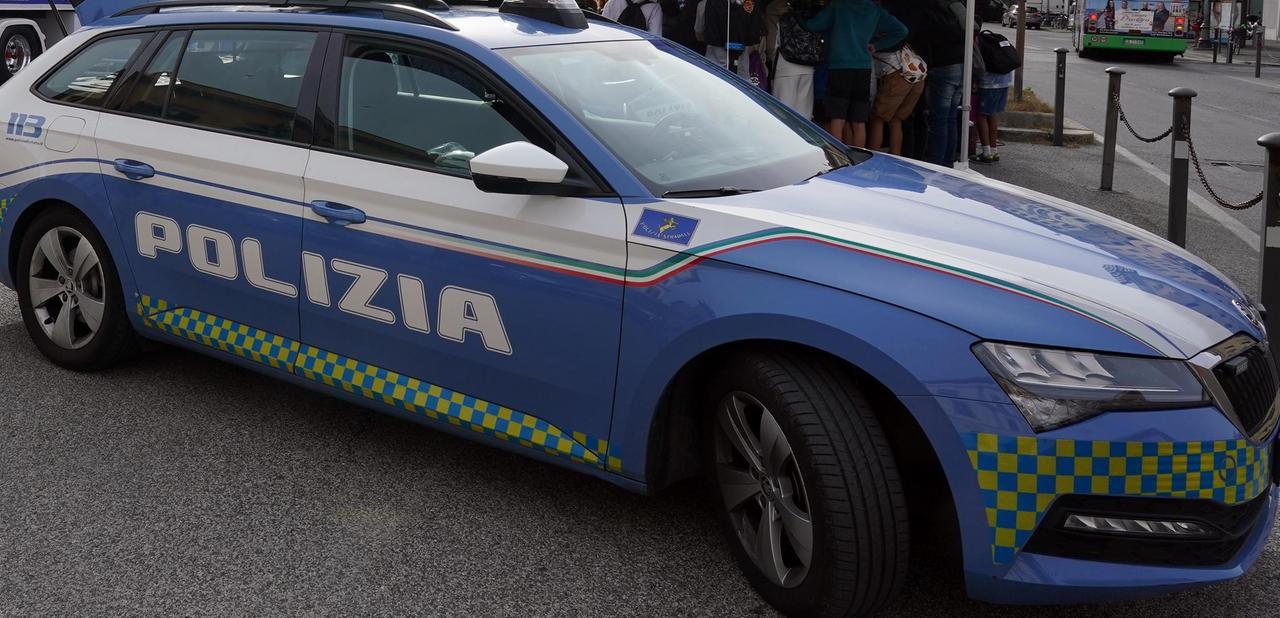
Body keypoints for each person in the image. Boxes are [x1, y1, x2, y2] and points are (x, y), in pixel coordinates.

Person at [802, 0, 906, 147]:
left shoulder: (838, 6)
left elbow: (814, 25)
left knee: (837, 118)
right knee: (859, 120)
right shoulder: (873, 9)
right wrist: (877, 45)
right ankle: (858, 161)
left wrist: (799, 18)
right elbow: (901, 30)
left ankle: (838, 160)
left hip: (839, 67)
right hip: (863, 67)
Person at [914, 0, 966, 167]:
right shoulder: (952, 9)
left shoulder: (927, 10)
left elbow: (921, 37)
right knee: (950, 117)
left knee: (939, 119)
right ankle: (947, 161)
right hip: (961, 63)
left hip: (942, 65)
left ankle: (935, 163)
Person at [868, 39, 926, 155]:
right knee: (896, 119)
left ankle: (872, 158)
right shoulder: (898, 41)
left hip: (897, 75)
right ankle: (896, 157)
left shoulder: (872, 43)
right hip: (917, 76)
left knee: (878, 118)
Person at [764, 0, 816, 118]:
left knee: (782, 116)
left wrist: (769, 57)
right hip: (807, 65)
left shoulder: (773, 8)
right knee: (804, 118)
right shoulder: (806, 8)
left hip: (785, 66)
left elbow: (771, 43)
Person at [696, 0, 766, 78]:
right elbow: (753, 38)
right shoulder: (749, 4)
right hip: (741, 70)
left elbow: (699, 35)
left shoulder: (705, 4)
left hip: (715, 68)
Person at [971, 42, 1011, 163]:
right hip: (1003, 82)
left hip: (988, 83)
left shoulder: (979, 42)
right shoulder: (992, 41)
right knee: (993, 114)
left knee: (981, 115)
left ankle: (986, 152)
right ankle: (994, 150)